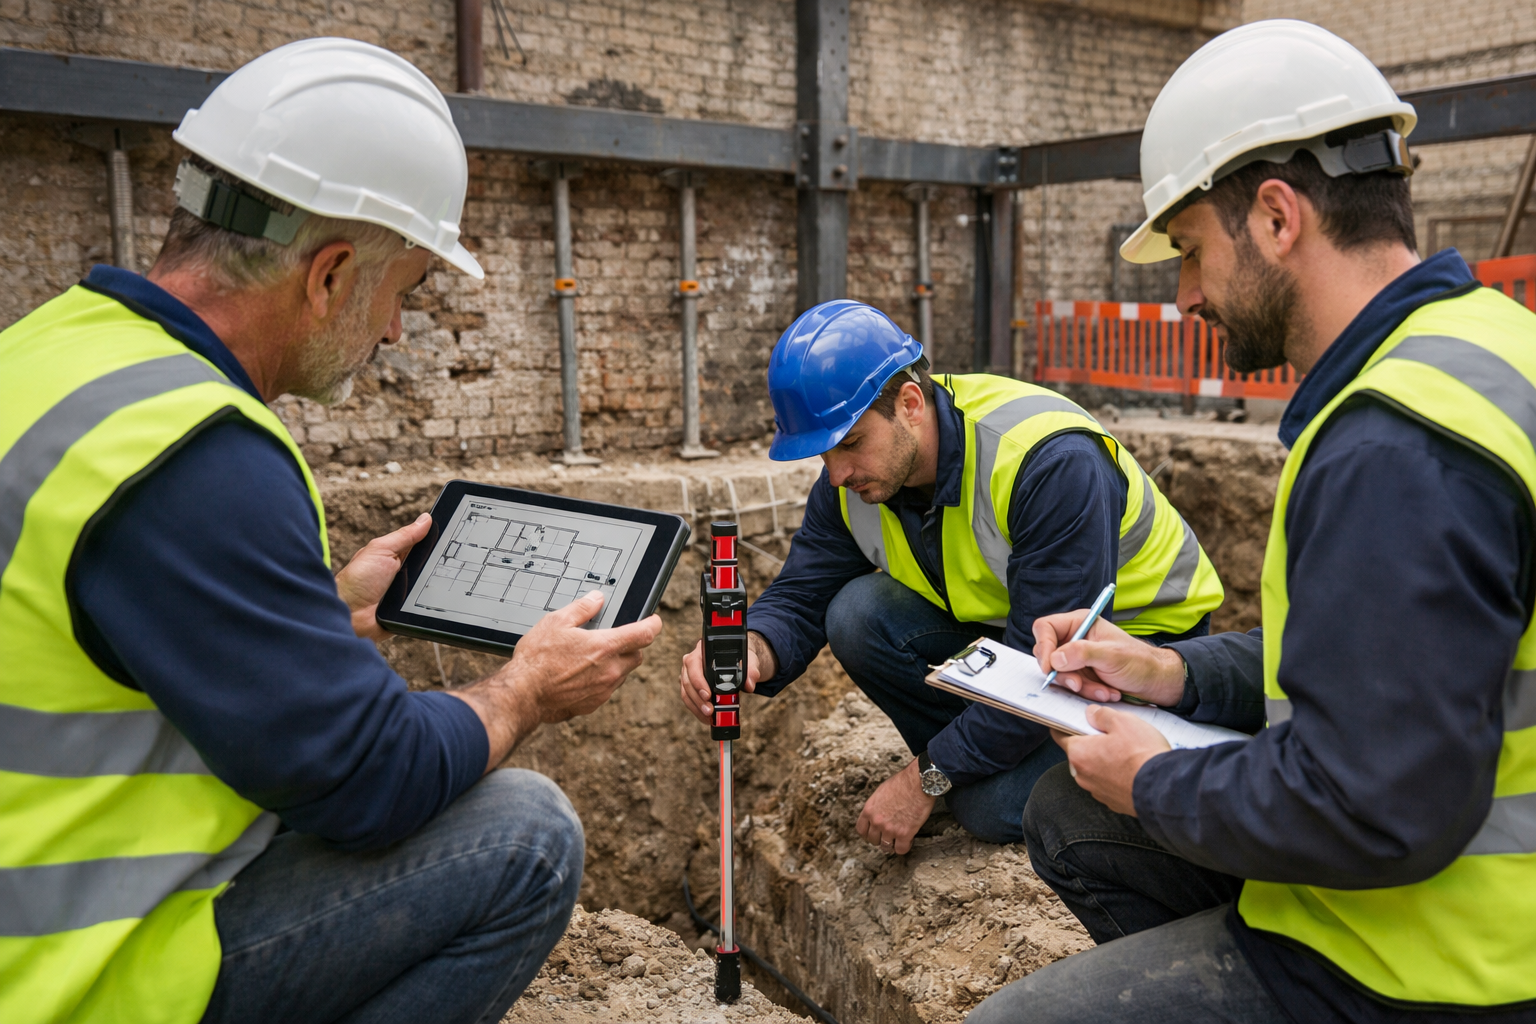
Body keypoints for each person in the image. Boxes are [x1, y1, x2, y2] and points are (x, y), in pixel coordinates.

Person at [0, 39, 663, 1024]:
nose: (394, 329)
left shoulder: (52, 353)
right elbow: (371, 779)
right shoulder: (196, 453)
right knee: (525, 835)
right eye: (404, 290)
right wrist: (524, 687)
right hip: (84, 974)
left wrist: (324, 610)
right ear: (331, 273)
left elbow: (120, 631)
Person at [969, 19, 1536, 1024]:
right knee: (1067, 814)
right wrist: (1175, 671)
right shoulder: (1485, 347)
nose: (1186, 294)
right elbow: (1402, 658)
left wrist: (1157, 785)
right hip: (1434, 899)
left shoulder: (1394, 446)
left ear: (1278, 217)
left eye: (1190, 251)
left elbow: (1373, 802)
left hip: (1423, 963)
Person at [678, 299, 1225, 853]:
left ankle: (1091, 773)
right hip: (1013, 647)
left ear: (910, 404)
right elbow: (801, 595)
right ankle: (976, 760)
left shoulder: (1049, 462)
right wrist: (751, 647)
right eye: (822, 455)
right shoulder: (856, 484)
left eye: (849, 444)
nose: (837, 474)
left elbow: (1048, 671)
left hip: (1135, 659)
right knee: (857, 612)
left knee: (987, 807)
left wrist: (923, 781)